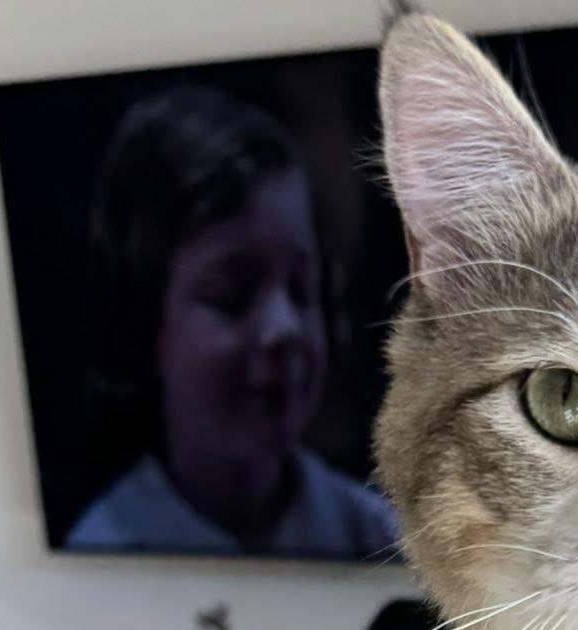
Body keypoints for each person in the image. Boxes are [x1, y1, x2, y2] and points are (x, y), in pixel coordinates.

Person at [66, 86, 398, 557]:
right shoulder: (107, 542)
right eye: (232, 296)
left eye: (303, 290)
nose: (284, 328)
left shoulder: (374, 534)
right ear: (141, 321)